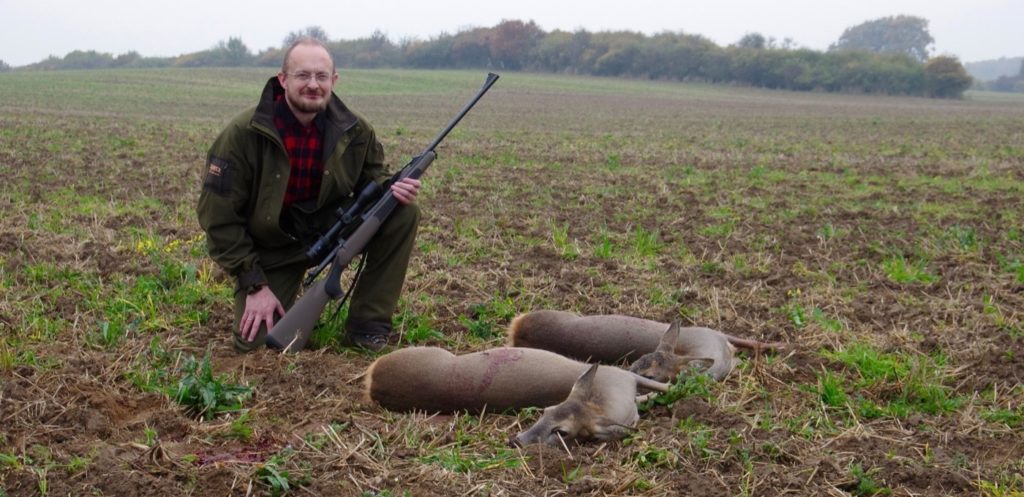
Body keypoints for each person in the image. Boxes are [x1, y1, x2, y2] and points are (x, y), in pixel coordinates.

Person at [197, 37, 421, 352]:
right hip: (272, 249)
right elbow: (218, 218)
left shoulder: (356, 130)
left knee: (402, 211)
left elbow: (375, 177)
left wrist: (393, 187)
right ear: (283, 79)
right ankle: (285, 299)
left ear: (334, 80)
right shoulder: (242, 134)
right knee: (258, 346)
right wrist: (254, 284)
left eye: (321, 76)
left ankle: (366, 326)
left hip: (334, 234)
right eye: (303, 75)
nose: (313, 85)